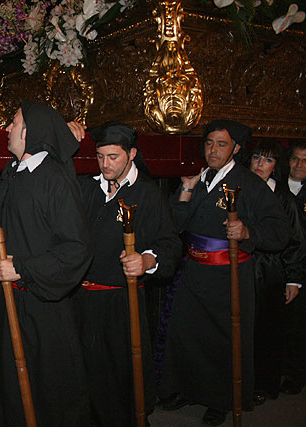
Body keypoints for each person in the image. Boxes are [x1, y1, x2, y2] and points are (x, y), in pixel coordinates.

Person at [0, 102, 93, 426]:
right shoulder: (12, 172)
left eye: (13, 122)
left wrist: (22, 266)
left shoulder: (54, 178)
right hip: (1, 298)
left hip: (37, 306)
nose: (7, 129)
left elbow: (76, 249)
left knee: (42, 391)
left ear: (31, 131)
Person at [158, 120, 290, 426]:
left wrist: (246, 230)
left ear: (236, 148)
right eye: (209, 143)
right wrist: (186, 192)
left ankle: (220, 400)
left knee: (221, 340)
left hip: (227, 274)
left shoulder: (250, 183)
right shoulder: (197, 178)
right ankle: (184, 389)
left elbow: (281, 231)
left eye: (221, 144)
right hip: (191, 271)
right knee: (187, 334)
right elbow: (175, 225)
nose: (213, 150)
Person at [75, 122, 181, 426]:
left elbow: (170, 244)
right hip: (80, 301)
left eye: (114, 157)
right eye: (100, 156)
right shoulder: (86, 188)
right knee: (83, 373)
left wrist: (147, 261)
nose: (105, 164)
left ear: (132, 154)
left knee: (120, 376)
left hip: (120, 304)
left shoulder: (148, 194)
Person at [245, 140, 306, 404]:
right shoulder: (238, 188)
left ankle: (261, 384)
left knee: (265, 332)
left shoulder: (284, 198)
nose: (260, 164)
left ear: (276, 165)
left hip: (269, 273)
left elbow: (296, 242)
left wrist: (293, 278)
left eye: (267, 160)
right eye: (256, 157)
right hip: (239, 268)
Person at [281, 140, 306, 396]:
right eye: (295, 159)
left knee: (299, 325)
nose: (299, 165)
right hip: (280, 265)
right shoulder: (277, 189)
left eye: (305, 160)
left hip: (302, 269)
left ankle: (296, 373)